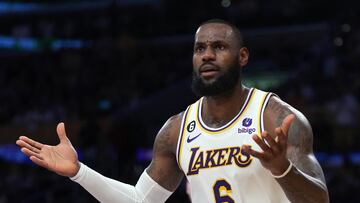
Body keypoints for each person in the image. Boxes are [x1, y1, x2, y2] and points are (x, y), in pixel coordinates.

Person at [16, 19, 329, 203]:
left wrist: (282, 169)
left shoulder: (274, 117)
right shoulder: (177, 130)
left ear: (242, 56)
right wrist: (79, 173)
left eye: (219, 47)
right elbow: (141, 201)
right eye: (199, 48)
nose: (207, 55)